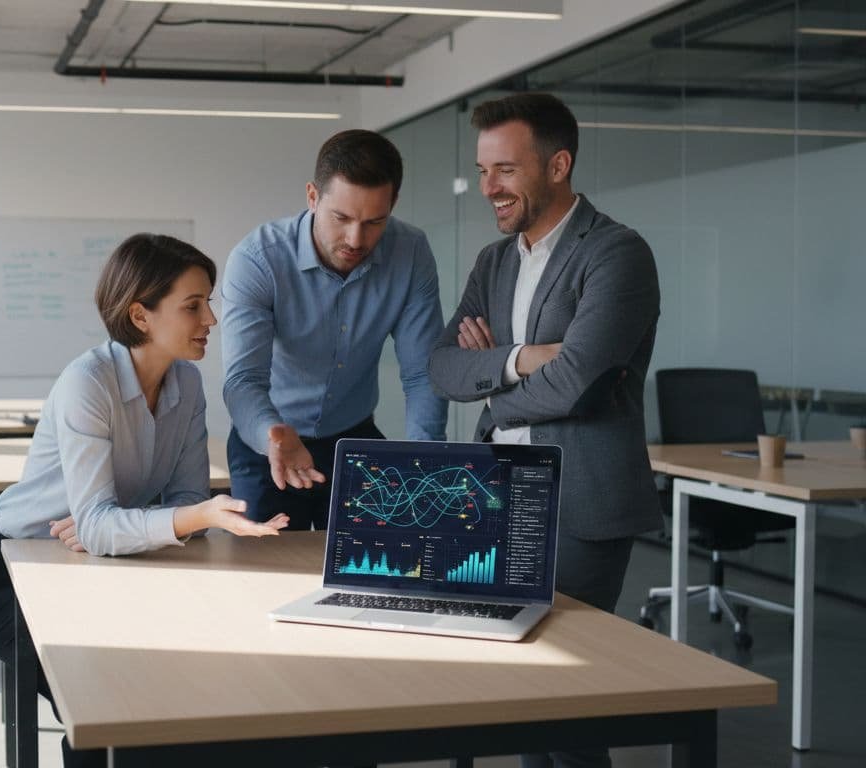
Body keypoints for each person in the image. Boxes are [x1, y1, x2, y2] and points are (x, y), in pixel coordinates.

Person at [0, 233, 288, 768]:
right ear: (141, 316)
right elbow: (110, 524)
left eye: (210, 302)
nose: (211, 319)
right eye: (193, 305)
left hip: (96, 568)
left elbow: (168, 506)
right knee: (105, 710)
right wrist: (160, 520)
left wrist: (125, 527)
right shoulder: (88, 383)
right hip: (14, 575)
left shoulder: (187, 381)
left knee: (163, 697)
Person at [428, 93, 661, 768]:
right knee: (526, 691)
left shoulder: (616, 254)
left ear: (558, 165)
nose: (487, 187)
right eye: (482, 169)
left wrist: (496, 396)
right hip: (502, 499)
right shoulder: (495, 263)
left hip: (581, 500)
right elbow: (444, 366)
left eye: (504, 169)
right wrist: (518, 359)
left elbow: (582, 379)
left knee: (567, 700)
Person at [221, 129, 447, 530]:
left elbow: (420, 373)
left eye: (374, 221)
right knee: (264, 576)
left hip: (353, 437)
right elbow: (243, 380)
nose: (356, 239)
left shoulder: (410, 252)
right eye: (340, 218)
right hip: (269, 441)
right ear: (312, 197)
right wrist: (273, 436)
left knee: (373, 568)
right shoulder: (258, 260)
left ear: (393, 204)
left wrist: (424, 461)